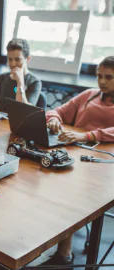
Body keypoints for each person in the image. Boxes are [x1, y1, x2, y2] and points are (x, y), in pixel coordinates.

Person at [41, 56, 114, 268]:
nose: (102, 82)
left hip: (103, 164)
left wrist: (86, 136)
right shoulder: (89, 95)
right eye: (99, 76)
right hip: (75, 155)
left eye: (109, 77)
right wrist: (54, 119)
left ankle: (63, 255)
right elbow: (57, 111)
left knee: (69, 193)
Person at [0, 38, 42, 112]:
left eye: (17, 60)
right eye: (10, 59)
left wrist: (20, 82)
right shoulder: (2, 77)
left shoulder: (34, 82)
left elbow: (25, 111)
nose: (13, 64)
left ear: (27, 59)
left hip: (18, 122)